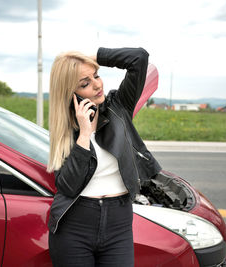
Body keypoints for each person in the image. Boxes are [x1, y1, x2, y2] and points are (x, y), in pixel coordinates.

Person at [47, 47, 161, 267]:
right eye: (85, 83)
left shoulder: (120, 105)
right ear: (70, 93)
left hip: (118, 225)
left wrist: (93, 58)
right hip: (74, 227)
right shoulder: (65, 130)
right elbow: (68, 187)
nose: (97, 85)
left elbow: (139, 58)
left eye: (96, 76)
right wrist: (84, 134)